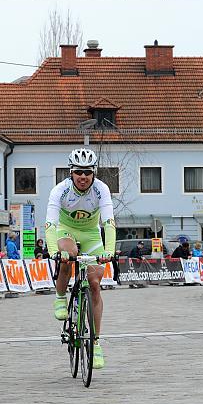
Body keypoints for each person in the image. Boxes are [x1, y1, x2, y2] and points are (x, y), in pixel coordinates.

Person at [45, 147, 116, 370]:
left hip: (91, 233)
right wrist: (52, 250)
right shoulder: (60, 190)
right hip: (66, 231)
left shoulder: (101, 189)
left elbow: (109, 223)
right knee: (68, 256)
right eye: (78, 172)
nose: (83, 176)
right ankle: (59, 297)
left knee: (95, 284)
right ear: (71, 173)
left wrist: (110, 250)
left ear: (93, 173)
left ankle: (95, 343)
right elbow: (50, 224)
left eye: (87, 172)